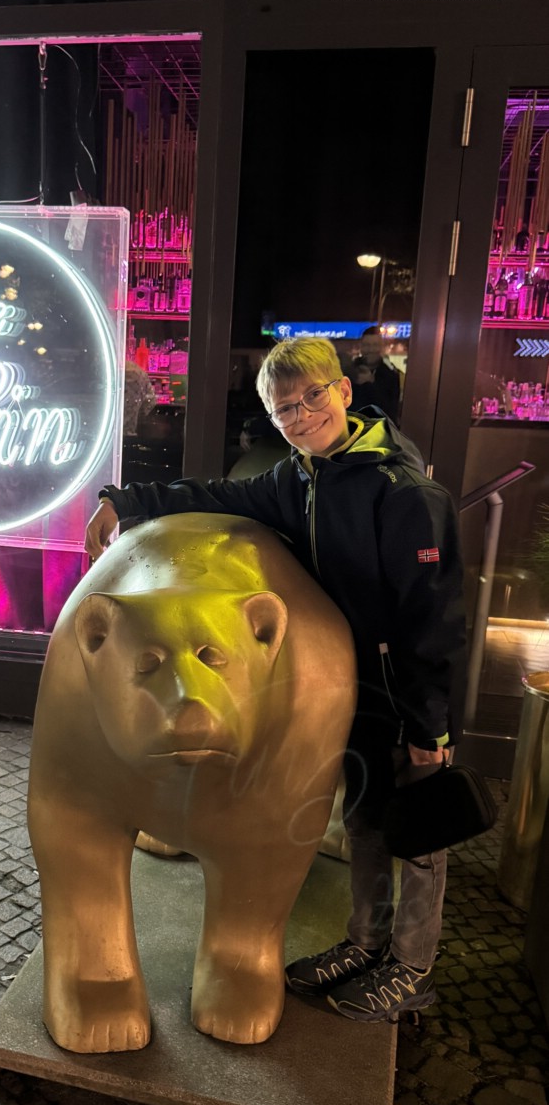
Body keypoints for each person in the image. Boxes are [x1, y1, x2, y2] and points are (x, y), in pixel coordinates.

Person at [85, 335, 467, 1023]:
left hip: (408, 696)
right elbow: (216, 493)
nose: (302, 415)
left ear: (344, 391)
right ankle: (366, 942)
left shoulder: (405, 493)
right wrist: (125, 498)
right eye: (285, 409)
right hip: (355, 689)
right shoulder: (301, 478)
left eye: (313, 397)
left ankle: (411, 966)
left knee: (421, 835)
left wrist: (430, 725)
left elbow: (433, 622)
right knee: (366, 820)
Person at [347, 326, 401, 422]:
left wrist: (370, 384)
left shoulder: (390, 376)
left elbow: (390, 412)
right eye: (367, 345)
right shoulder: (349, 371)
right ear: (361, 347)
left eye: (375, 345)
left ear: (382, 347)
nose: (371, 349)